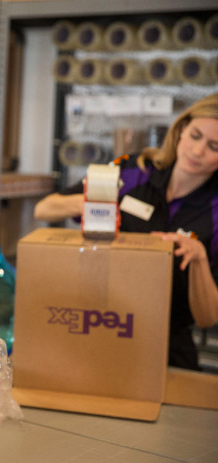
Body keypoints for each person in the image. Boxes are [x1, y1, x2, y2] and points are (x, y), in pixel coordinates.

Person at [34, 93, 218, 371]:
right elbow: (44, 208)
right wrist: (94, 204)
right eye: (195, 136)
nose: (197, 151)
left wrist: (199, 258)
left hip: (167, 347)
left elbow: (207, 318)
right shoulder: (132, 169)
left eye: (214, 146)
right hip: (100, 325)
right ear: (181, 130)